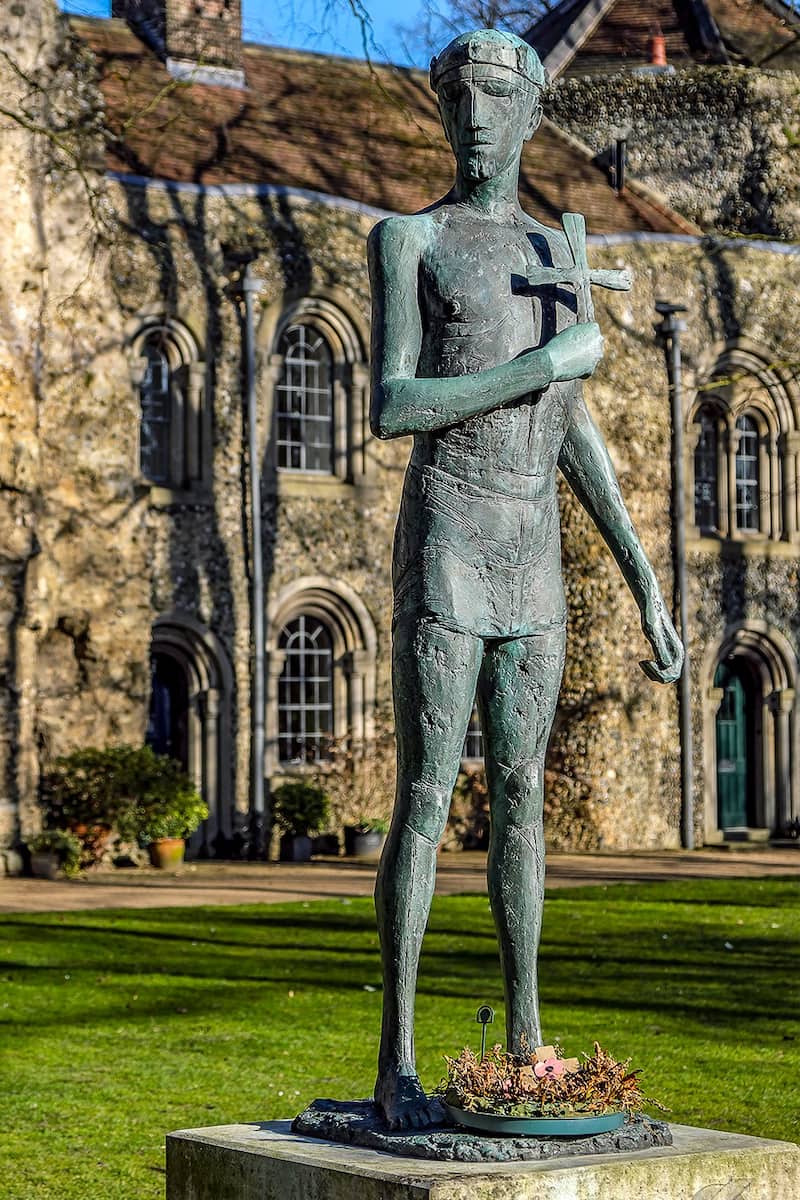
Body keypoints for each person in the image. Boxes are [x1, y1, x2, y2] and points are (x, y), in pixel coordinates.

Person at [367, 28, 684, 1131]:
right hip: (449, 532)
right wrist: (539, 364)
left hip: (532, 548)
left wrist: (644, 582)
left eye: (497, 99)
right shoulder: (410, 239)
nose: (475, 118)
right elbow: (395, 404)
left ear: (531, 111)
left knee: (520, 794)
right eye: (458, 98)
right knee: (423, 796)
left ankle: (524, 1042)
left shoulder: (559, 249)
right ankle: (398, 1060)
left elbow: (574, 433)